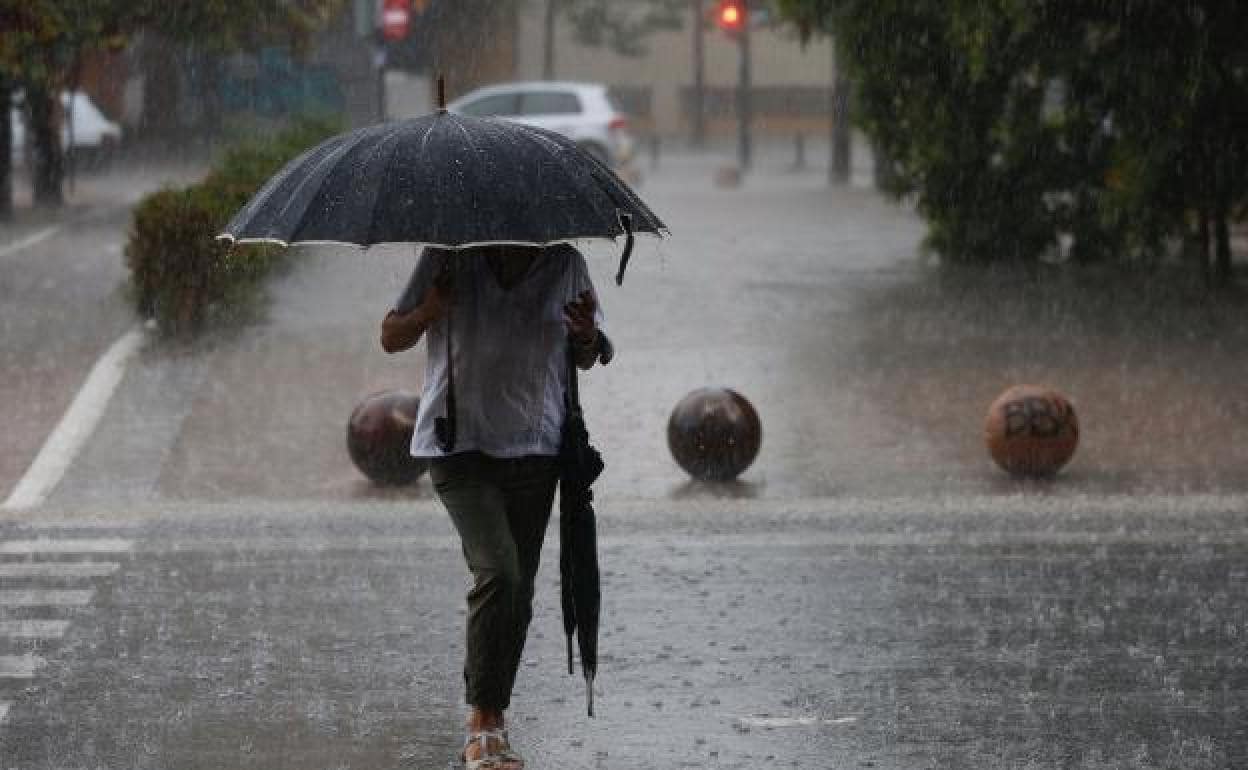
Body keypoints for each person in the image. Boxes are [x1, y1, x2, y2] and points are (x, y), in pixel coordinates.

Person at [380, 243, 604, 770]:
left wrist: (587, 335)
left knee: (519, 591)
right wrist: (431, 310)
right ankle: (481, 722)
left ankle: (493, 719)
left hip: (536, 445)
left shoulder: (565, 262)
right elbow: (390, 335)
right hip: (459, 446)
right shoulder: (447, 255)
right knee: (499, 572)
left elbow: (589, 353)